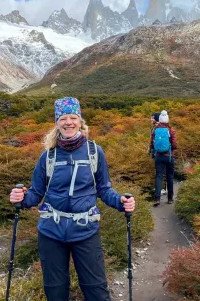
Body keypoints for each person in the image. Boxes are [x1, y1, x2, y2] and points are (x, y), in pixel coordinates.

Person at [9, 97, 135, 301]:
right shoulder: (48, 155)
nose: (68, 122)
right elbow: (35, 193)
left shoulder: (94, 152)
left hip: (85, 230)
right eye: (63, 118)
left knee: (96, 290)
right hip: (51, 232)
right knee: (55, 291)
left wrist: (121, 202)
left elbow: (104, 190)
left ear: (80, 120)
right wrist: (21, 198)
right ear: (57, 122)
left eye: (73, 117)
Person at [149, 110, 177, 206]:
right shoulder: (171, 130)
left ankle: (157, 199)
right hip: (169, 156)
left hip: (158, 157)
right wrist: (170, 149)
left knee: (159, 177)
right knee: (170, 177)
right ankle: (170, 198)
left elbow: (151, 144)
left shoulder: (155, 130)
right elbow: (175, 145)